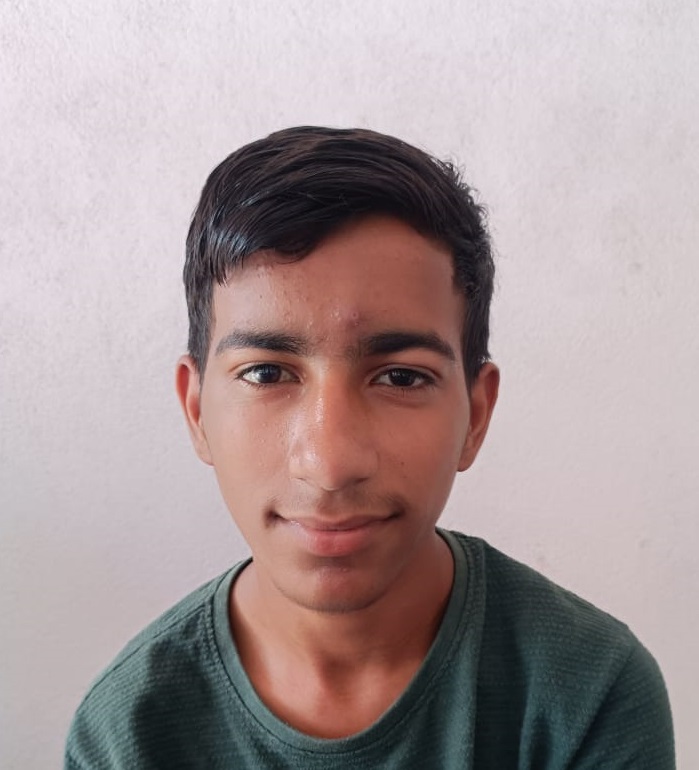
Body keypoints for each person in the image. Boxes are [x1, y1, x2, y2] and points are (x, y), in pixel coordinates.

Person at [65, 126, 674, 769]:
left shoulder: (588, 696)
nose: (329, 464)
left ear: (476, 415)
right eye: (267, 373)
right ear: (196, 411)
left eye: (402, 378)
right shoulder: (128, 734)